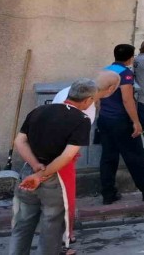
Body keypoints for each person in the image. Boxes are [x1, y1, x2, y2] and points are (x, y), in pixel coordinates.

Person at [9, 78, 97, 255]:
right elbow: (67, 155)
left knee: (22, 223)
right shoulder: (82, 119)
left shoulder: (38, 110)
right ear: (88, 100)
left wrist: (35, 166)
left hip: (28, 171)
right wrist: (41, 175)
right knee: (51, 226)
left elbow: (19, 141)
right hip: (55, 177)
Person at [51, 70, 120, 255]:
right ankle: (65, 238)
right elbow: (72, 137)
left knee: (56, 198)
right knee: (66, 198)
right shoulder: (86, 108)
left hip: (53, 152)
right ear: (111, 89)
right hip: (62, 156)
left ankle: (60, 234)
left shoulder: (69, 91)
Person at [98, 44, 144, 204]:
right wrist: (136, 122)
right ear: (130, 58)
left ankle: (108, 194)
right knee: (136, 157)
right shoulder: (125, 73)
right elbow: (127, 99)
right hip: (121, 121)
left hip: (105, 120)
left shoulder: (105, 70)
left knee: (108, 157)